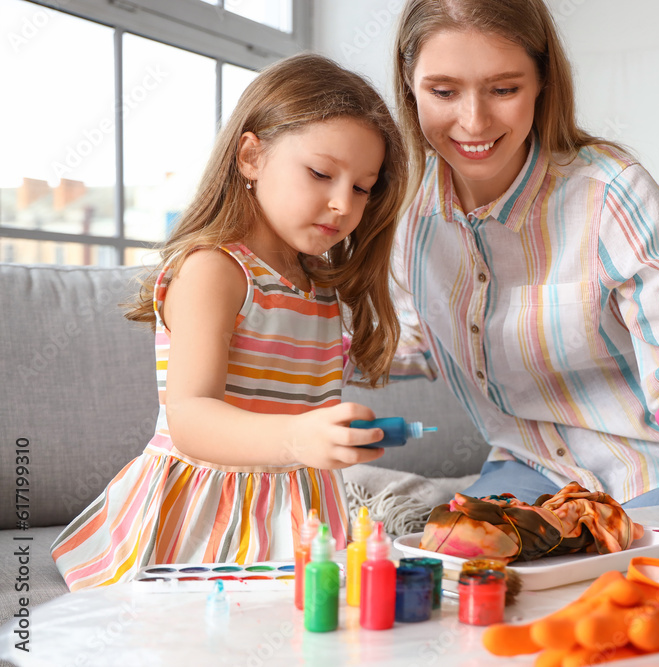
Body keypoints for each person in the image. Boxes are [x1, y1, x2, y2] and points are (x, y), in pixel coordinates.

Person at [50, 53, 407, 590]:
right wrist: (297, 437)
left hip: (300, 514)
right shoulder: (215, 270)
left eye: (362, 187)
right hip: (208, 516)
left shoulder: (326, 294)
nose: (341, 204)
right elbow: (190, 418)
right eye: (320, 173)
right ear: (250, 157)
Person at [389, 0, 659, 508]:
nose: (473, 121)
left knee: (649, 587)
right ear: (410, 84)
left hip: (651, 466)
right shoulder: (406, 211)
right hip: (527, 462)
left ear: (543, 82)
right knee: (455, 578)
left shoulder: (611, 191)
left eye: (504, 89)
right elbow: (410, 337)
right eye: (444, 91)